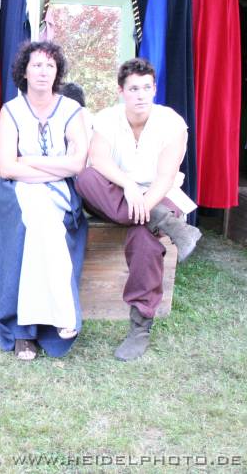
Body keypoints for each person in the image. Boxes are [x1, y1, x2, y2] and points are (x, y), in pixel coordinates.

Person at [75, 58, 202, 362]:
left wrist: (145, 204)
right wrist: (128, 185)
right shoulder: (107, 118)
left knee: (143, 237)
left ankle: (140, 329)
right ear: (121, 91)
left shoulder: (172, 123)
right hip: (114, 193)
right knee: (85, 178)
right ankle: (172, 226)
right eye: (133, 89)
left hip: (158, 194)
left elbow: (165, 177)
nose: (141, 95)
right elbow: (99, 160)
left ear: (154, 89)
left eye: (147, 88)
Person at [0, 41, 89, 361]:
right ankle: (32, 327)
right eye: (36, 65)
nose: (43, 71)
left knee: (44, 224)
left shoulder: (71, 110)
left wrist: (31, 162)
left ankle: (39, 326)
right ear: (24, 71)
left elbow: (77, 165)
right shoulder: (11, 111)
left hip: (60, 193)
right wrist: (53, 168)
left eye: (50, 65)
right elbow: (7, 168)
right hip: (18, 191)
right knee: (39, 226)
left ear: (57, 71)